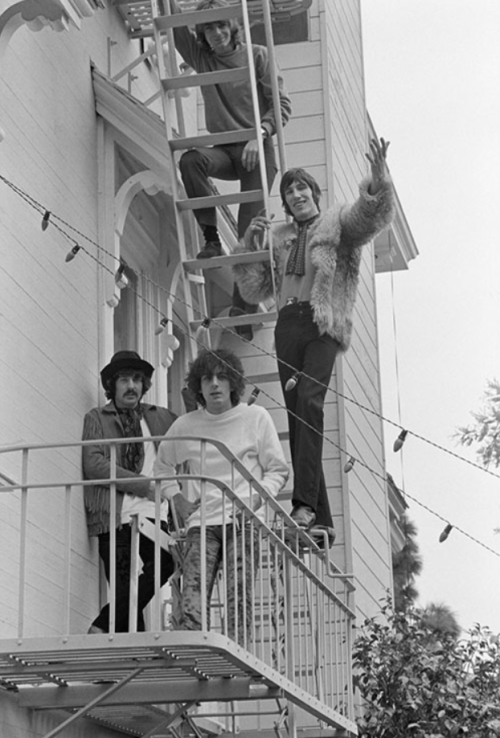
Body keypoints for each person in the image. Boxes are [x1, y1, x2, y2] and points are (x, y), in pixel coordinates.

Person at [232, 138, 395, 540]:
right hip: (287, 323)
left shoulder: (337, 223)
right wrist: (250, 248)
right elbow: (255, 290)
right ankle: (319, 518)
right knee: (298, 416)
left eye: (301, 187)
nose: (296, 194)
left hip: (323, 323)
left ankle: (302, 505)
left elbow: (369, 217)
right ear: (285, 202)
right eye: (289, 191)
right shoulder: (279, 235)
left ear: (314, 193)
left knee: (309, 400)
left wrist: (378, 182)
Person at [168, 0, 292, 337]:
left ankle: (244, 309)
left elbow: (282, 105)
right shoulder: (204, 58)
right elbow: (177, 28)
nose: (217, 33)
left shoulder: (258, 55)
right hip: (225, 149)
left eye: (222, 25)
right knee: (191, 160)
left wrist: (260, 133)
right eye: (209, 28)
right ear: (203, 34)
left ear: (232, 27)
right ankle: (210, 239)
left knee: (249, 225)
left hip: (257, 149)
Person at [154, 348, 288, 642]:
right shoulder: (187, 425)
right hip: (203, 523)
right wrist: (176, 497)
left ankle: (237, 665)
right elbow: (162, 465)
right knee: (191, 599)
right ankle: (194, 661)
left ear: (233, 382)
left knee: (238, 598)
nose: (215, 384)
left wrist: (255, 499)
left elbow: (278, 469)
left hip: (243, 521)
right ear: (198, 387)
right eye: (206, 378)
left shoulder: (255, 417)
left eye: (222, 377)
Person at [82, 350, 177, 633]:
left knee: (165, 562)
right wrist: (142, 485)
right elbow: (94, 464)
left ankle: (100, 626)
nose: (132, 386)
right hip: (114, 516)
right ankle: (126, 663)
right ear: (112, 384)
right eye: (124, 379)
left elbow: (193, 435)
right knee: (126, 595)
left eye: (137, 379)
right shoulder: (97, 417)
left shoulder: (160, 417)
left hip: (153, 514)